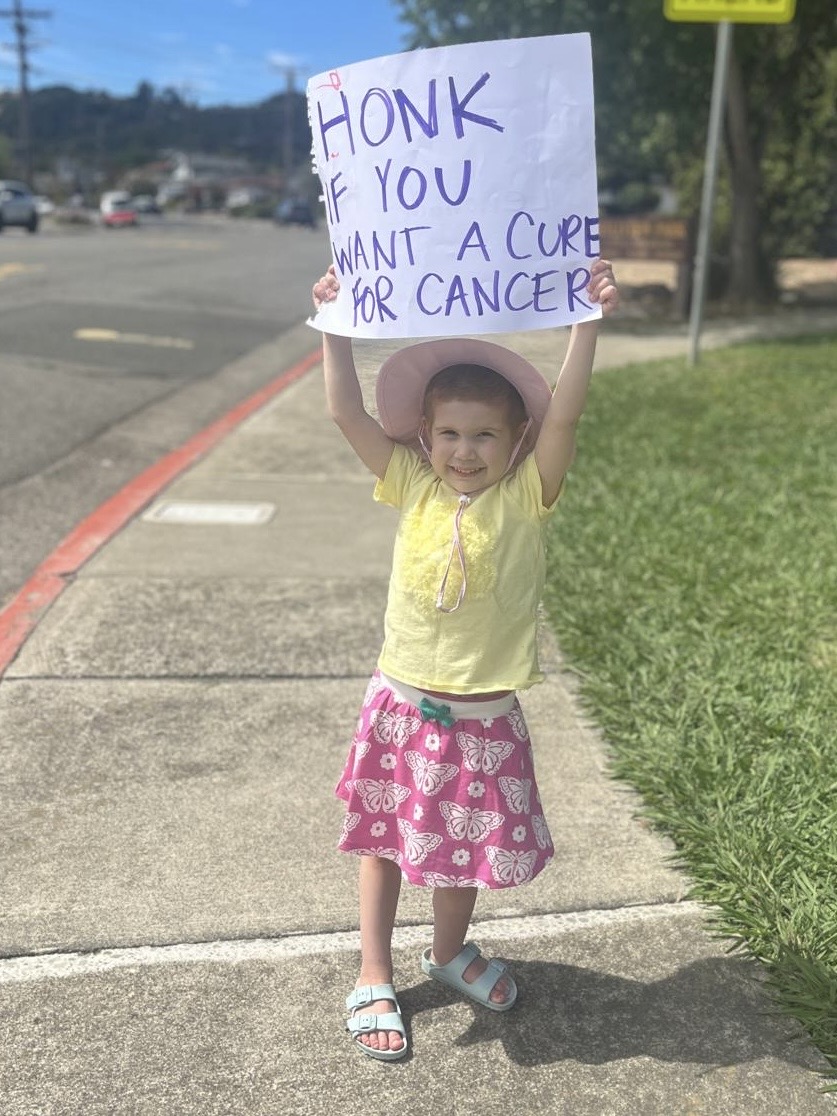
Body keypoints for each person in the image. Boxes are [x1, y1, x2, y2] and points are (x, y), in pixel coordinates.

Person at [311, 259, 619, 1061]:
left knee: (462, 849)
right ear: (423, 435)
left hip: (482, 720)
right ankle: (373, 967)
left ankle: (447, 953)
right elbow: (343, 411)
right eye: (448, 432)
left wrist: (586, 321)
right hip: (400, 706)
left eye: (484, 434)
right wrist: (334, 325)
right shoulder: (409, 480)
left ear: (515, 439)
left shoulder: (527, 495)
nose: (464, 449)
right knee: (380, 840)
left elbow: (566, 418)